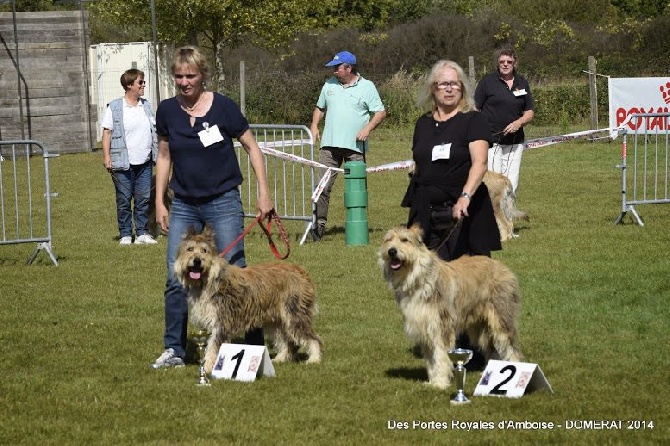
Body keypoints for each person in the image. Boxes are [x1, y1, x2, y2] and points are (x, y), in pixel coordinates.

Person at [151, 46, 274, 369]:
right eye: (178, 76)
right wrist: (159, 202)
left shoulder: (223, 108)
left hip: (223, 201)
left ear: (203, 75)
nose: (184, 82)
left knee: (236, 272)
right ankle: (174, 350)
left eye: (190, 75)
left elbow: (252, 148)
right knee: (174, 275)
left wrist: (264, 194)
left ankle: (252, 349)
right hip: (184, 204)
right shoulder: (166, 111)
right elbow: (164, 157)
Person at [401, 60, 501, 261]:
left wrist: (465, 197)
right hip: (425, 210)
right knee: (425, 278)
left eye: (455, 84)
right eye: (443, 84)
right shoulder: (423, 123)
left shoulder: (473, 120)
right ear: (433, 88)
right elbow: (420, 161)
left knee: (470, 280)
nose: (449, 89)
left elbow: (480, 162)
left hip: (462, 210)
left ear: (462, 87)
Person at [309, 50, 387, 241]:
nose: (334, 71)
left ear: (349, 68)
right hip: (329, 146)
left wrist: (367, 129)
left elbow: (380, 112)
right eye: (334, 68)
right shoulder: (329, 84)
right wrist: (314, 125)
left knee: (357, 188)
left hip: (355, 146)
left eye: (338, 67)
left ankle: (357, 226)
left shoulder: (367, 86)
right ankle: (317, 227)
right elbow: (320, 107)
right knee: (322, 187)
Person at [101, 68, 158, 245]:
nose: (143, 85)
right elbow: (107, 133)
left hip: (145, 161)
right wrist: (106, 156)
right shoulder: (115, 107)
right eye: (140, 82)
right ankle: (125, 234)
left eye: (143, 82)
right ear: (129, 85)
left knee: (143, 199)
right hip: (122, 162)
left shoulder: (146, 105)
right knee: (124, 199)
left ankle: (142, 232)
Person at [474, 44, 534, 193]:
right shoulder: (487, 81)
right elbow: (475, 108)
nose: (505, 64)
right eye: (502, 62)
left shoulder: (522, 82)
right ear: (498, 63)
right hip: (493, 141)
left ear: (514, 63)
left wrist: (519, 122)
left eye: (509, 62)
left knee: (511, 181)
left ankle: (508, 214)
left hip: (515, 142)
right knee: (495, 182)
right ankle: (493, 215)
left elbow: (529, 112)